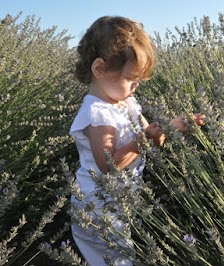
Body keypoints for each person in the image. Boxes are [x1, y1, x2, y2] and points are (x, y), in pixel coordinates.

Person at [69, 16, 205, 265]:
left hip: (117, 202)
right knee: (118, 259)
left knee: (120, 255)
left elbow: (152, 137)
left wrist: (172, 126)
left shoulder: (125, 102)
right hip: (97, 209)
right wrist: (144, 139)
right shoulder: (97, 114)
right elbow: (109, 165)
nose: (136, 86)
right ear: (100, 69)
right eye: (130, 79)